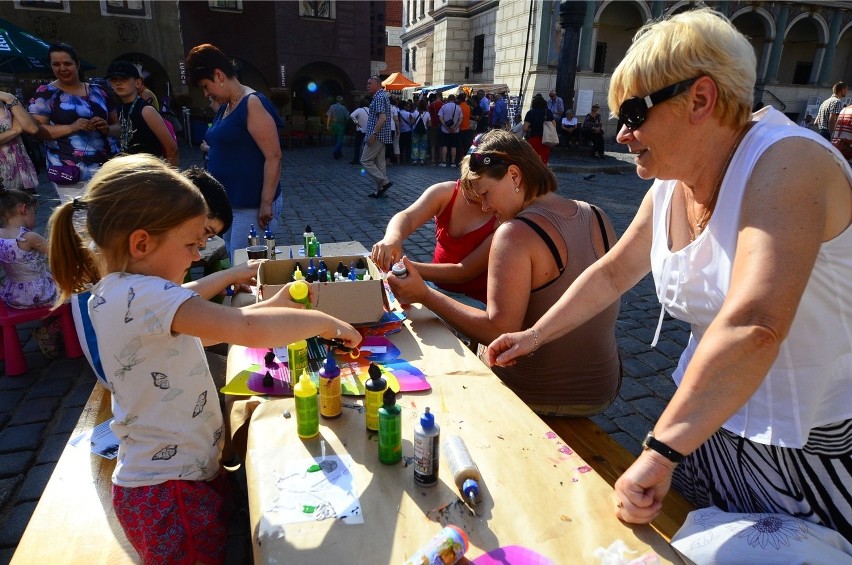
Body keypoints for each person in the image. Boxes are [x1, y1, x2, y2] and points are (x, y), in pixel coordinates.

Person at [486, 8, 852, 540]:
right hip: (707, 428)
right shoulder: (673, 182)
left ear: (701, 99)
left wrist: (660, 449)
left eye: (634, 113)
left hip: (803, 444)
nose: (624, 133)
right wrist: (534, 334)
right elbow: (613, 273)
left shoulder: (789, 162)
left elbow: (756, 323)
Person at [48, 154, 362, 564]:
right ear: (141, 243)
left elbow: (226, 320)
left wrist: (277, 304)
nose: (197, 256)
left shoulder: (120, 291)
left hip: (175, 474)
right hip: (172, 494)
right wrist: (325, 323)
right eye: (191, 244)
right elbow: (244, 330)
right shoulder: (148, 296)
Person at [388, 129, 621, 416]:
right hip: (601, 389)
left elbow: (498, 330)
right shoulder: (598, 215)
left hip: (535, 391)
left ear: (514, 175)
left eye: (485, 194)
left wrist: (424, 294)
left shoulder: (514, 233)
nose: (486, 207)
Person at [185, 43, 283, 260]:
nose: (206, 93)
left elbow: (273, 155)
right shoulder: (227, 106)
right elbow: (233, 143)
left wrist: (266, 202)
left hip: (250, 204)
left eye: (205, 86)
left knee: (243, 263)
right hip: (230, 202)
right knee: (233, 257)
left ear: (218, 75)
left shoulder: (252, 103)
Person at [372, 176, 496, 308]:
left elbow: (462, 272)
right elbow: (408, 217)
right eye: (468, 183)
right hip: (433, 286)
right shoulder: (446, 192)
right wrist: (392, 238)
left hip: (472, 301)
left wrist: (402, 267)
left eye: (483, 191)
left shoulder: (501, 216)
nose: (472, 192)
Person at [28, 42, 116, 185]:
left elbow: (118, 127)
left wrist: (107, 128)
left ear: (77, 64)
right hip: (68, 171)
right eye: (56, 64)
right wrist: (72, 127)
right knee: (77, 208)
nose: (62, 68)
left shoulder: (99, 91)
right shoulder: (45, 93)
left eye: (67, 63)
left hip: (106, 168)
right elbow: (37, 131)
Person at [0, 187, 62, 357]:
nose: (34, 216)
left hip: (12, 294)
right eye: (34, 212)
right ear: (23, 209)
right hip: (37, 292)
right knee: (73, 296)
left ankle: (48, 322)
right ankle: (49, 331)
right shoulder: (29, 238)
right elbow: (56, 252)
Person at [105, 61, 178, 167]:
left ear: (137, 83)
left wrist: (171, 179)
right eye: (113, 79)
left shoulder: (146, 110)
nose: (118, 83)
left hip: (151, 171)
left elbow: (172, 149)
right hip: (132, 171)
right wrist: (106, 129)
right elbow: (126, 130)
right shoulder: (121, 108)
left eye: (123, 79)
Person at [360, 75, 393, 198]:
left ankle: (384, 183)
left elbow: (382, 117)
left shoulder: (378, 97)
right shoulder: (383, 96)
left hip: (377, 135)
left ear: (377, 84)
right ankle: (382, 191)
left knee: (365, 160)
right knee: (380, 163)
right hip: (383, 135)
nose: (367, 86)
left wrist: (373, 133)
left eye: (370, 83)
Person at [0, 91, 39, 194]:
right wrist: (15, 131)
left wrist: (11, 100)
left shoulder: (7, 100)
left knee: (25, 208)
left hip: (21, 173)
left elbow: (32, 128)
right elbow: (19, 128)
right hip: (3, 178)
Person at [523, 93, 555, 164]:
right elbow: (554, 125)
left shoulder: (530, 113)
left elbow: (525, 128)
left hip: (534, 138)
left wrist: (530, 129)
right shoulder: (548, 112)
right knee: (544, 161)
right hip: (546, 139)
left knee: (534, 161)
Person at [438, 94, 461, 167]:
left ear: (448, 99)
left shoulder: (444, 106)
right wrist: (455, 127)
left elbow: (440, 118)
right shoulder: (458, 107)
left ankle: (444, 162)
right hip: (455, 130)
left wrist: (446, 127)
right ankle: (453, 163)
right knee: (453, 146)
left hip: (445, 130)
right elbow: (461, 119)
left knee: (445, 146)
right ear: (454, 99)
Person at [325, 95, 349, 160]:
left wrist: (327, 125)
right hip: (341, 124)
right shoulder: (343, 108)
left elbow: (328, 117)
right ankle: (336, 151)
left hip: (333, 124)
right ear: (341, 101)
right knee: (340, 139)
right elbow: (347, 117)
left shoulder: (332, 107)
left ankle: (339, 152)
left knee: (336, 138)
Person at [410, 99, 430, 166]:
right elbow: (430, 124)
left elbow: (412, 122)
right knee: (423, 145)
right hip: (424, 131)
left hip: (415, 130)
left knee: (415, 145)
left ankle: (415, 160)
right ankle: (422, 160)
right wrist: (425, 125)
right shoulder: (427, 113)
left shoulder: (415, 112)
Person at [349, 96, 369, 165]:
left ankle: (356, 159)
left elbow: (351, 115)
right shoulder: (369, 110)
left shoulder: (359, 110)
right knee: (366, 146)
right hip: (367, 130)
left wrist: (356, 122)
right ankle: (365, 160)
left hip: (360, 130)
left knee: (357, 145)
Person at [427, 92, 443, 165]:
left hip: (433, 125)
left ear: (436, 96)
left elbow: (429, 114)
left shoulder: (432, 105)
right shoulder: (443, 104)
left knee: (433, 142)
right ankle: (441, 158)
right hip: (441, 125)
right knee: (440, 142)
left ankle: (433, 158)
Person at [456, 92, 471, 166]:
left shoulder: (459, 107)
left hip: (460, 128)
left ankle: (461, 160)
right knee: (466, 146)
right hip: (467, 128)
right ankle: (466, 160)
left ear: (459, 99)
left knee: (460, 146)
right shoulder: (467, 107)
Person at [398, 99, 413, 165]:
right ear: (404, 106)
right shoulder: (408, 113)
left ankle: (401, 158)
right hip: (408, 130)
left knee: (401, 145)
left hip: (401, 131)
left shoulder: (398, 113)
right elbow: (412, 122)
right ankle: (408, 158)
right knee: (408, 146)